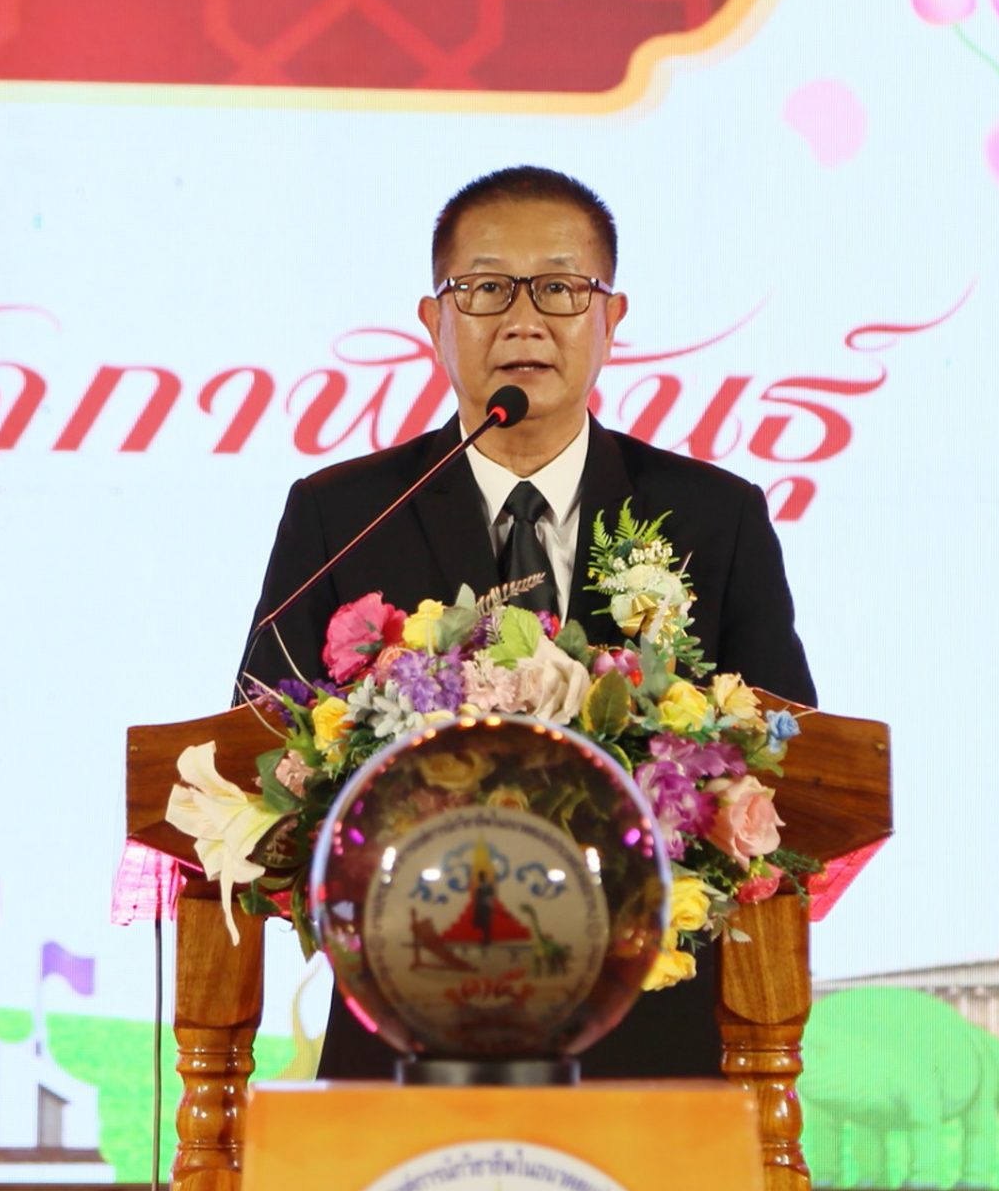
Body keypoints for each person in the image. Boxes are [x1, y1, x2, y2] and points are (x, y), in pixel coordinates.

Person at [234, 165, 816, 1081]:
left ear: (611, 319)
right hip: (407, 1011)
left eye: (559, 288)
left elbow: (789, 767)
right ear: (434, 322)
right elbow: (261, 749)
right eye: (485, 289)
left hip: (652, 1034)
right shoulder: (345, 513)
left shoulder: (713, 516)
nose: (523, 320)